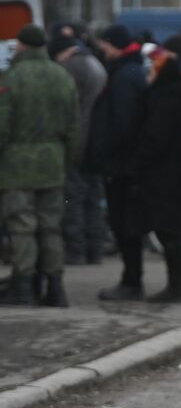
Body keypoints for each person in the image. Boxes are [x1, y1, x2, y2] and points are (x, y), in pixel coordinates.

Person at [0, 25, 81, 306]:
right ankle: (56, 288)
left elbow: (3, 125)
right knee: (50, 227)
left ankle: (23, 286)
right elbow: (73, 128)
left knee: (22, 226)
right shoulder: (62, 76)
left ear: (22, 46)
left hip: (17, 166)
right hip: (53, 163)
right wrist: (66, 161)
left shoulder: (12, 77)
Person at [129, 42, 181, 303]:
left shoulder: (164, 101)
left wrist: (137, 162)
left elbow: (154, 140)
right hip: (177, 174)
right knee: (171, 232)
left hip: (164, 176)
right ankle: (180, 285)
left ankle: (178, 286)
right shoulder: (178, 96)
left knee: (167, 231)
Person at [89, 25, 154, 301]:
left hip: (122, 166)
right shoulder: (129, 71)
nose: (101, 49)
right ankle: (131, 280)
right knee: (126, 225)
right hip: (126, 164)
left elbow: (123, 123)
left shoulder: (124, 75)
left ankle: (131, 282)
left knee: (125, 225)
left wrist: (107, 151)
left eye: (104, 44)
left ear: (114, 45)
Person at [49, 30, 108, 266]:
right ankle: (96, 247)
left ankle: (77, 250)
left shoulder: (70, 68)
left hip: (78, 142)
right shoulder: (94, 63)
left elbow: (65, 108)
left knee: (73, 197)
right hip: (96, 141)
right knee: (94, 196)